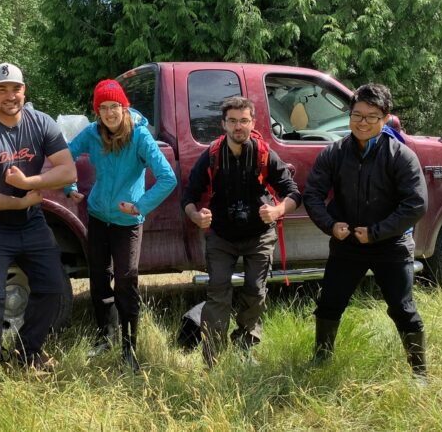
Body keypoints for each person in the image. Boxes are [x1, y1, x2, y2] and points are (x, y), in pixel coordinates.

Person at [303, 83, 429, 378]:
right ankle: (321, 360)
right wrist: (331, 225)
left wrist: (376, 232)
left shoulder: (401, 156)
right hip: (347, 244)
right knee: (328, 304)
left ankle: (419, 373)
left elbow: (416, 204)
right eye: (357, 115)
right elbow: (312, 194)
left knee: (402, 308)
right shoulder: (334, 153)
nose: (362, 122)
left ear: (385, 119)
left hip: (391, 244)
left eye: (371, 116)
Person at [0, 62, 77, 372]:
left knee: (53, 287)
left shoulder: (41, 123)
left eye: (16, 88)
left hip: (30, 220)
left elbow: (68, 170)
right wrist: (16, 202)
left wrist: (28, 185)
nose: (10, 95)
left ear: (25, 90)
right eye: (3, 90)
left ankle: (28, 353)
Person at [65, 79, 177, 371]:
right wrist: (69, 185)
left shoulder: (140, 136)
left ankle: (130, 347)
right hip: (99, 216)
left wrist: (141, 205)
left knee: (126, 281)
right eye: (103, 107)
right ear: (97, 111)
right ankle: (106, 337)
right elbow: (65, 156)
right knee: (99, 279)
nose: (110, 113)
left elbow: (168, 177)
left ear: (123, 107)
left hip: (127, 221)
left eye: (114, 106)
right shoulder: (92, 132)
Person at [181, 96, 301, 368]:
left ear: (253, 123)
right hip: (221, 235)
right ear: (223, 124)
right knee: (218, 292)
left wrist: (277, 211)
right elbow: (189, 196)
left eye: (244, 120)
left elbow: (293, 193)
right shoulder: (212, 155)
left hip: (259, 234)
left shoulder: (263, 154)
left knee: (255, 292)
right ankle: (212, 357)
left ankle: (245, 345)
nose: (238, 126)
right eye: (233, 121)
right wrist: (196, 215)